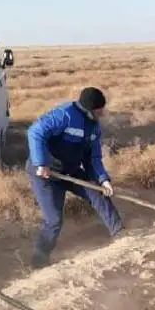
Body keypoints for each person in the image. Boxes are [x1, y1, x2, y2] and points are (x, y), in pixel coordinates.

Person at [25, 86, 123, 269]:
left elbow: (93, 157)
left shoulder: (94, 127)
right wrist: (41, 163)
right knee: (53, 220)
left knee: (99, 194)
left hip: (70, 171)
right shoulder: (64, 114)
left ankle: (121, 235)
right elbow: (35, 132)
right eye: (99, 110)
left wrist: (103, 179)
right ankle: (38, 261)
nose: (102, 113)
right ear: (90, 109)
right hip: (46, 174)